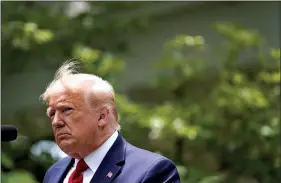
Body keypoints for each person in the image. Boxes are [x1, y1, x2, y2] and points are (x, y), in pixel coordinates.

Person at [41, 61, 181, 183]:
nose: (56, 122)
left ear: (102, 116)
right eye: (52, 114)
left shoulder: (151, 170)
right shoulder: (54, 173)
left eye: (66, 110)